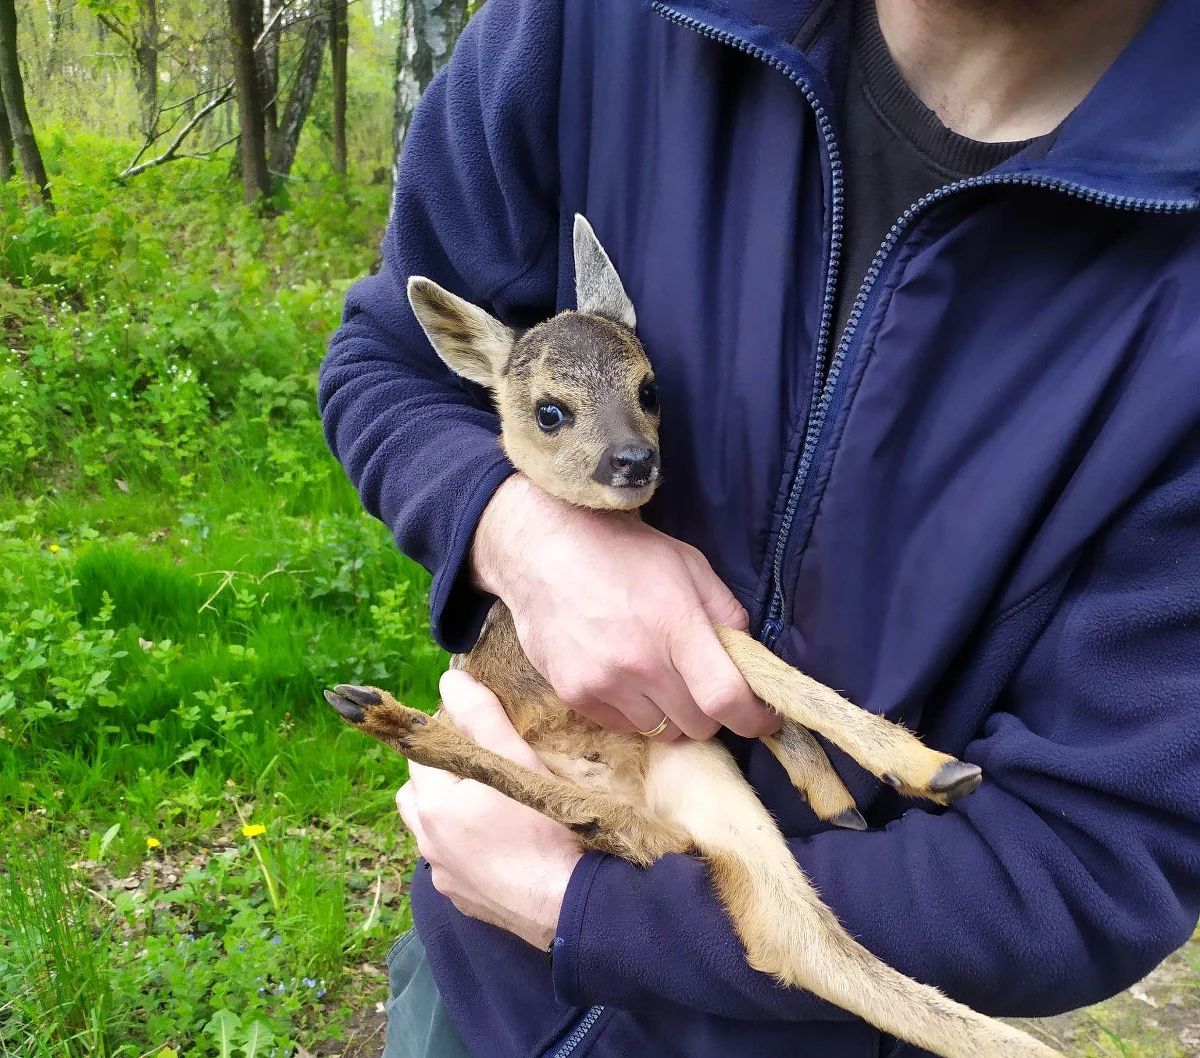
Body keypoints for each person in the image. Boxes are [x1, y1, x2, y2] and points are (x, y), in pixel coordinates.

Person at [318, 0, 1200, 1054]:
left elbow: (1090, 858)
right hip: (481, 994)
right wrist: (521, 531)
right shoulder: (591, 26)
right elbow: (392, 361)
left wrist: (581, 906)